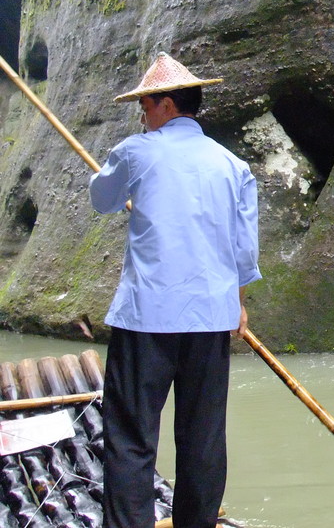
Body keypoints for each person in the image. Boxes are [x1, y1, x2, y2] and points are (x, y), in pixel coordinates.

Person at [89, 52, 263, 528]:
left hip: (147, 317)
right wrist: (239, 309)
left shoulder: (136, 151)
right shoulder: (234, 166)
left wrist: (107, 177)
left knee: (130, 437)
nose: (142, 115)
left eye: (145, 105)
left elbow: (102, 200)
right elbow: (243, 254)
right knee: (203, 437)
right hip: (210, 320)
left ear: (166, 105)